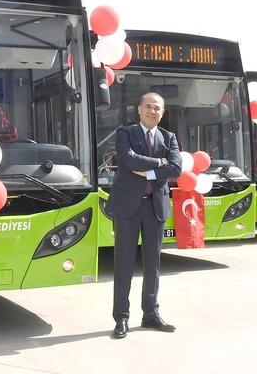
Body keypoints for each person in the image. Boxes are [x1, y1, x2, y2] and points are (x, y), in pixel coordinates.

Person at [104, 92, 181, 339]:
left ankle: (150, 314)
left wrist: (148, 173)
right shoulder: (125, 133)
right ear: (139, 109)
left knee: (153, 265)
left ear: (162, 112)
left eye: (157, 108)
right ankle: (121, 319)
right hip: (127, 207)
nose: (152, 111)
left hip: (155, 208)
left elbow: (177, 168)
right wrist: (160, 163)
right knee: (124, 264)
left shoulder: (169, 137)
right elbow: (128, 160)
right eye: (147, 106)